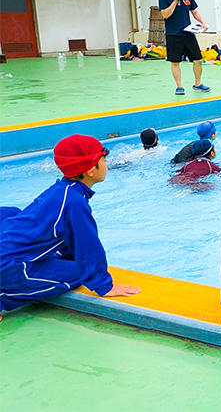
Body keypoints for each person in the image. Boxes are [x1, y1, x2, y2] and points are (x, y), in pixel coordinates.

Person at [0, 135, 140, 316]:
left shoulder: (61, 190)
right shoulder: (75, 203)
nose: (106, 164)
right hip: (8, 265)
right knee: (78, 275)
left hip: (8, 250)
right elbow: (87, 246)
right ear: (91, 169)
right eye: (104, 159)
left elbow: (66, 236)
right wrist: (104, 286)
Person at [158, 0, 210, 95]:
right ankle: (179, 86)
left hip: (188, 33)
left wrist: (203, 23)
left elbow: (194, 11)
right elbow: (165, 14)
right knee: (175, 61)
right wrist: (175, 2)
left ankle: (198, 83)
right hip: (173, 34)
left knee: (197, 59)